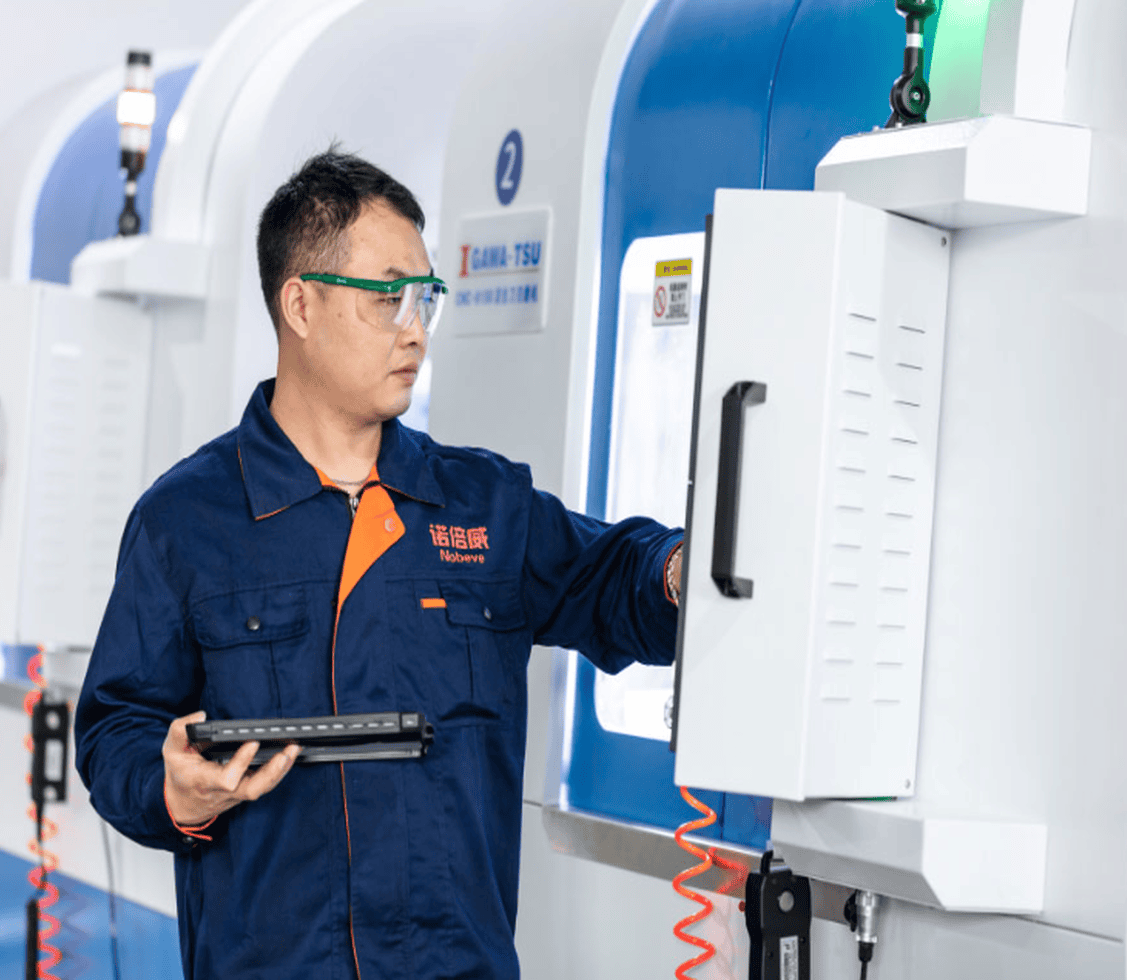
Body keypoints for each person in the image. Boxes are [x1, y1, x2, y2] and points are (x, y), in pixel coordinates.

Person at [74, 149, 685, 980]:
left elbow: (618, 578)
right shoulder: (188, 523)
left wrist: (690, 568)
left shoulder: (481, 506)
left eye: (425, 295)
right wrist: (168, 789)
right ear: (300, 303)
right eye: (386, 295)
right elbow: (115, 728)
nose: (415, 326)